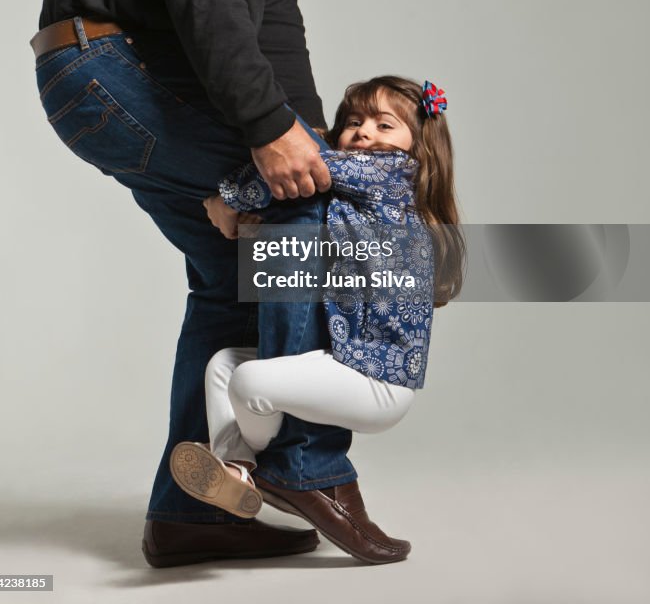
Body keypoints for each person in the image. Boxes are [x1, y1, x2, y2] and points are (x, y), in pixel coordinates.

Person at [31, 0, 391, 566]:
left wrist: (309, 138)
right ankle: (311, 462)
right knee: (295, 213)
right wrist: (274, 144)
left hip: (152, 72)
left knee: (241, 268)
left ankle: (191, 514)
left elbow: (270, 11)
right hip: (104, 70)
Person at [169, 76, 465, 564]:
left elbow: (299, 166)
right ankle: (238, 472)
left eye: (383, 124)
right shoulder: (359, 199)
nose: (363, 132)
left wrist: (227, 199)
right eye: (354, 122)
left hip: (376, 381)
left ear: (419, 145)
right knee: (222, 365)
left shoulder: (392, 174)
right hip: (339, 361)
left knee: (247, 380)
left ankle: (270, 470)